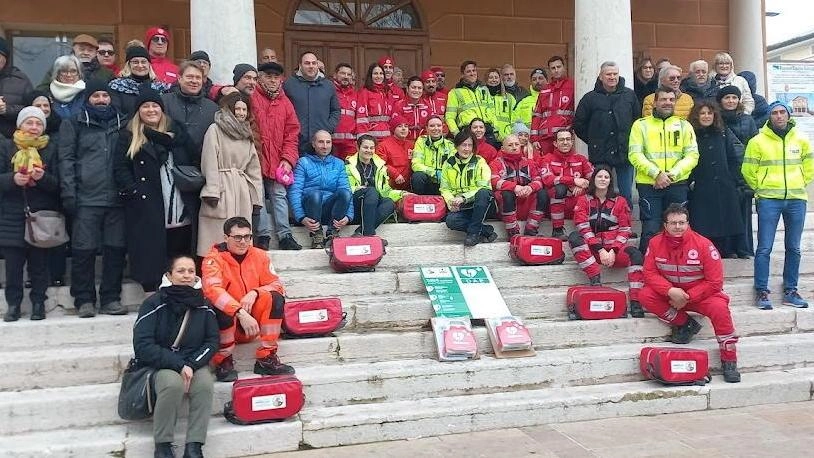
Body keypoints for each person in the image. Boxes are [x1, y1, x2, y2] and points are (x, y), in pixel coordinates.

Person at [639, 204, 741, 383]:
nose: (678, 227)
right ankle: (685, 323)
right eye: (673, 223)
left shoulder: (703, 244)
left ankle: (729, 360)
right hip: (672, 295)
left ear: (688, 223)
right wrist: (670, 291)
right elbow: (649, 273)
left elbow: (715, 282)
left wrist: (687, 297)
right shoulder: (655, 243)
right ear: (665, 225)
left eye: (681, 223)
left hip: (701, 296)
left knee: (720, 308)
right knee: (645, 295)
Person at [132, 255, 217, 458]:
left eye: (190, 271)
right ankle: (162, 445)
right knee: (172, 384)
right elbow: (143, 345)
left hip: (193, 362)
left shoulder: (204, 304)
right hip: (161, 363)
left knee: (205, 384)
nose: (186, 275)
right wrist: (178, 365)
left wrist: (192, 364)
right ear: (169, 275)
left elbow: (212, 341)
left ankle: (194, 445)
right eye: (181, 271)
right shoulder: (153, 303)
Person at [113, 88, 197, 293]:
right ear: (138, 111)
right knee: (151, 251)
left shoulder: (176, 132)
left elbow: (193, 157)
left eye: (155, 106)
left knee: (180, 249)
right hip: (147, 203)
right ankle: (154, 294)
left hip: (179, 201)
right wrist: (133, 191)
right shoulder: (129, 135)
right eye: (145, 106)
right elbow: (120, 168)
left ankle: (181, 289)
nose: (151, 110)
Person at [59, 79, 129, 318]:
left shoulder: (123, 123)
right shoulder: (74, 123)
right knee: (83, 251)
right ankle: (84, 299)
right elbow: (66, 160)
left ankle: (111, 297)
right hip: (86, 199)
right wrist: (69, 192)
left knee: (115, 250)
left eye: (105, 95)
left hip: (117, 200)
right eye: (96, 96)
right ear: (87, 98)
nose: (101, 100)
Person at [202, 217, 294, 382]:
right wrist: (239, 312)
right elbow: (212, 290)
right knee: (217, 303)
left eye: (247, 237)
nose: (243, 241)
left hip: (253, 325)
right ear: (226, 237)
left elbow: (277, 285)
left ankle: (266, 358)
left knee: (275, 297)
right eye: (237, 237)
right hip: (229, 323)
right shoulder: (213, 259)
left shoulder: (260, 255)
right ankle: (223, 360)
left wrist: (255, 292)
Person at [742, 101, 812, 310]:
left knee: (794, 248)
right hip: (768, 199)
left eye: (783, 112)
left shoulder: (801, 139)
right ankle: (762, 291)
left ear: (789, 115)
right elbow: (748, 170)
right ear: (769, 116)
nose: (779, 116)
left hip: (796, 198)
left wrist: (800, 181)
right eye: (775, 113)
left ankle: (791, 290)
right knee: (764, 248)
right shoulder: (757, 141)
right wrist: (761, 188)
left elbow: (810, 165)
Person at [0, 107, 59, 322]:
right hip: (12, 215)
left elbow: (58, 184)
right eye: (29, 123)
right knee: (13, 266)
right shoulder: (6, 146)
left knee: (39, 266)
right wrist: (12, 179)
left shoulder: (50, 149)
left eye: (38, 124)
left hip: (40, 216)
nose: (34, 127)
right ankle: (13, 305)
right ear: (20, 125)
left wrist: (43, 178)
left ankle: (38, 304)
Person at [629, 87, 699, 253]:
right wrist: (657, 174)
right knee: (651, 230)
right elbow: (634, 154)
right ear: (655, 102)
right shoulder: (640, 125)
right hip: (649, 185)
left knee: (678, 229)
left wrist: (672, 175)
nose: (668, 103)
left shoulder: (684, 126)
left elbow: (692, 155)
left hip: (677, 184)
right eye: (663, 99)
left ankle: (679, 267)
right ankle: (645, 269)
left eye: (671, 99)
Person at [568, 165, 644, 317]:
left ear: (610, 181)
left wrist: (613, 250)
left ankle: (636, 302)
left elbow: (625, 229)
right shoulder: (583, 200)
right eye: (599, 176)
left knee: (635, 254)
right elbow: (583, 226)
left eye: (606, 177)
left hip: (614, 250)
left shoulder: (620, 201)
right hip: (593, 252)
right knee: (575, 237)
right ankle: (595, 278)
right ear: (593, 179)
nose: (603, 179)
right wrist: (600, 250)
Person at [197, 92, 262, 256]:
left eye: (244, 109)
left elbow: (253, 168)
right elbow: (209, 159)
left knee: (240, 234)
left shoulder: (246, 135)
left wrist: (256, 198)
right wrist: (212, 190)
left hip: (241, 189)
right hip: (222, 186)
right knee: (217, 236)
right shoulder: (216, 129)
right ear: (229, 110)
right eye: (237, 109)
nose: (241, 113)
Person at [251, 61, 302, 251]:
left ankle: (285, 236)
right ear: (260, 77)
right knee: (259, 197)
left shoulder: (285, 102)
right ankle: (263, 236)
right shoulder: (251, 97)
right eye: (268, 76)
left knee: (279, 196)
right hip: (255, 157)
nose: (272, 80)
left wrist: (288, 159)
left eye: (276, 77)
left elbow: (292, 133)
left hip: (279, 159)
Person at [573, 61, 640, 206]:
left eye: (615, 74)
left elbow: (637, 121)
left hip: (624, 153)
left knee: (625, 194)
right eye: (608, 74)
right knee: (600, 192)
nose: (612, 77)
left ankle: (625, 225)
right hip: (600, 154)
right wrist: (593, 140)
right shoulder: (589, 98)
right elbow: (578, 124)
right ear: (601, 77)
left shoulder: (629, 95)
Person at [686, 100, 746, 259]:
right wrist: (691, 181)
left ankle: (727, 250)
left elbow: (732, 157)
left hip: (724, 183)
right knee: (704, 220)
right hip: (701, 183)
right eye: (702, 113)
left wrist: (733, 179)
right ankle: (706, 251)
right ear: (696, 116)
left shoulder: (722, 132)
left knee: (725, 217)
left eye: (709, 113)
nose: (706, 116)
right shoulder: (691, 134)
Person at [289, 130, 353, 248]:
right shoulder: (303, 162)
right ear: (313, 144)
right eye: (321, 142)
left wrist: (348, 216)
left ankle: (332, 233)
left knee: (345, 193)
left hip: (329, 209)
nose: (325, 146)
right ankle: (316, 235)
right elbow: (295, 191)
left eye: (328, 142)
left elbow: (346, 189)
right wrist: (301, 217)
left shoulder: (338, 164)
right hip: (310, 208)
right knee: (315, 194)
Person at [719, 85, 759, 258]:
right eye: (727, 98)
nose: (731, 101)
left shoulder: (747, 120)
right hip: (723, 170)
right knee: (725, 211)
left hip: (744, 171)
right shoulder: (716, 119)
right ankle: (727, 249)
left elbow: (755, 144)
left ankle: (744, 248)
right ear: (720, 101)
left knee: (744, 212)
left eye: (734, 98)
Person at [441, 129, 497, 246]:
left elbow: (484, 186)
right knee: (451, 221)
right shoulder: (448, 163)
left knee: (483, 192)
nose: (466, 149)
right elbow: (444, 188)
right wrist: (451, 202)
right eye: (463, 145)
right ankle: (486, 230)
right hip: (461, 206)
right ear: (456, 146)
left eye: (470, 145)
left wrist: (464, 197)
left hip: (481, 204)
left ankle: (473, 234)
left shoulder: (479, 161)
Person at [539, 129, 594, 239]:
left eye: (568, 139)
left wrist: (584, 185)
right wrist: (573, 181)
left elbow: (595, 179)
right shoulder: (547, 159)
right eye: (561, 139)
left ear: (572, 141)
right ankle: (557, 230)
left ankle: (595, 229)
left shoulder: (581, 159)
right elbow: (547, 179)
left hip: (578, 203)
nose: (565, 142)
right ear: (555, 143)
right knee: (559, 188)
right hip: (555, 207)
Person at [489, 134, 547, 237]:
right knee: (506, 193)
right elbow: (494, 181)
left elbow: (538, 180)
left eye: (516, 144)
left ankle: (531, 228)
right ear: (503, 148)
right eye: (510, 145)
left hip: (527, 202)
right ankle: (512, 231)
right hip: (506, 206)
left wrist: (530, 188)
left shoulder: (529, 163)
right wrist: (515, 187)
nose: (514, 147)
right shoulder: (495, 163)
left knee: (542, 193)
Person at [346, 135, 405, 235]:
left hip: (372, 210)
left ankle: (361, 232)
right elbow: (342, 188)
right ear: (358, 147)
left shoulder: (380, 167)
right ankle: (369, 233)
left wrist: (402, 194)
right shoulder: (347, 165)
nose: (369, 150)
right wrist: (355, 188)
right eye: (365, 147)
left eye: (372, 148)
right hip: (355, 206)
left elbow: (386, 192)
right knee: (372, 191)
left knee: (389, 203)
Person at [283, 52, 340, 153]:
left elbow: (335, 110)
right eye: (307, 63)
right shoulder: (288, 85)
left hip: (321, 144)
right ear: (300, 65)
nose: (311, 66)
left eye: (314, 63)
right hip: (296, 142)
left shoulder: (328, 86)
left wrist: (327, 128)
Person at [161, 61, 218, 161]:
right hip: (167, 164)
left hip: (201, 167)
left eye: (198, 77)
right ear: (179, 79)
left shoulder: (212, 109)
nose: (194, 81)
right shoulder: (164, 102)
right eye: (189, 77)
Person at [108, 46, 171, 116]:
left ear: (149, 65)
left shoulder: (162, 89)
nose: (140, 65)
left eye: (144, 62)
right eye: (135, 62)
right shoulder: (116, 87)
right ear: (128, 65)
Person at [37, 34, 113, 91]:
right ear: (74, 49)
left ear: (96, 53)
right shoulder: (60, 67)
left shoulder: (106, 73)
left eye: (90, 50)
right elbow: (43, 89)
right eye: (82, 49)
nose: (86, 53)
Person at [531, 56, 574, 155]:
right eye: (553, 68)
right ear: (550, 70)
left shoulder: (572, 86)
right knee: (545, 166)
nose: (556, 70)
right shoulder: (545, 89)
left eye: (558, 67)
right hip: (545, 138)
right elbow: (537, 115)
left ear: (564, 67)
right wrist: (534, 139)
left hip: (563, 137)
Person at [444, 60, 497, 139]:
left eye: (474, 70)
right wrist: (457, 134)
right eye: (468, 71)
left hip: (487, 130)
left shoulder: (484, 89)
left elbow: (492, 111)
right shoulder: (455, 92)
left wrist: (495, 129)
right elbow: (449, 117)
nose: (472, 73)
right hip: (467, 130)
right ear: (462, 74)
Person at [0, 37, 34, 138]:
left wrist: (6, 109)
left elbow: (32, 110)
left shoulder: (20, 79)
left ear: (5, 58)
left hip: (11, 142)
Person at [411, 115, 455, 195]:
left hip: (444, 183)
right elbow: (416, 165)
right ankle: (420, 202)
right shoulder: (421, 142)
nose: (436, 128)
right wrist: (434, 173)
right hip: (428, 182)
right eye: (432, 126)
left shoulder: (450, 145)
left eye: (439, 126)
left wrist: (443, 175)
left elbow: (452, 167)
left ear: (442, 128)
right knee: (417, 176)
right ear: (427, 129)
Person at [356, 62, 396, 140]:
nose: (378, 76)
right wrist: (363, 139)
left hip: (387, 138)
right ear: (370, 76)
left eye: (381, 73)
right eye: (375, 73)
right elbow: (361, 117)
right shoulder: (365, 92)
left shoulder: (388, 93)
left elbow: (392, 117)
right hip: (371, 138)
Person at [376, 114, 413, 191]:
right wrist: (395, 174)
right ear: (393, 129)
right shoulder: (383, 145)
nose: (403, 129)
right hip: (390, 187)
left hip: (409, 187)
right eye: (399, 126)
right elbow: (380, 164)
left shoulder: (412, 145)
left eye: (406, 126)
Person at [47, 55, 86, 120]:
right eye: (64, 71)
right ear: (57, 73)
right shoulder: (47, 94)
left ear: (79, 73)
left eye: (73, 71)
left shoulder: (87, 93)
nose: (69, 75)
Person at [331, 63, 357, 160]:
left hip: (350, 144)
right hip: (332, 143)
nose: (346, 76)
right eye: (342, 73)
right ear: (335, 75)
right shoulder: (329, 91)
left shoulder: (355, 94)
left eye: (349, 74)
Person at [392, 76, 430, 141]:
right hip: (404, 141)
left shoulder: (427, 105)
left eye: (419, 88)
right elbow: (395, 127)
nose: (416, 90)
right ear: (407, 89)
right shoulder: (399, 105)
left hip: (423, 142)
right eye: (413, 87)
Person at [485, 68, 517, 143]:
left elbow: (513, 117)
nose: (494, 80)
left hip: (506, 137)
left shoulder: (509, 97)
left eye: (496, 77)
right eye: (490, 77)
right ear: (486, 80)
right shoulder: (483, 97)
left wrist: (509, 133)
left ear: (500, 79)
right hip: (489, 136)